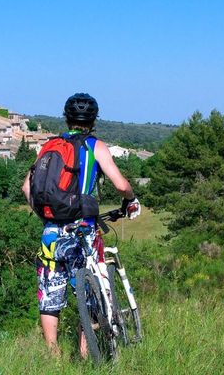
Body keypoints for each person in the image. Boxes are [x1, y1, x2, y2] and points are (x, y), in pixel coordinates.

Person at [22, 93, 141, 357]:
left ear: (66, 118)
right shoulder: (95, 146)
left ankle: (53, 357)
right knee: (90, 292)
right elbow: (121, 185)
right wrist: (131, 200)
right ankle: (86, 353)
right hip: (84, 229)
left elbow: (26, 186)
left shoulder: (49, 146)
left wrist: (45, 216)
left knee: (50, 294)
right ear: (94, 119)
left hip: (51, 232)